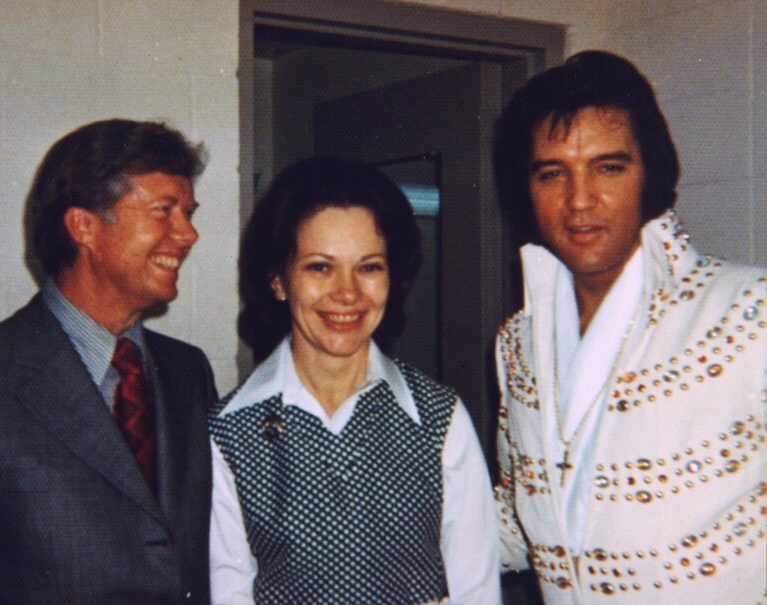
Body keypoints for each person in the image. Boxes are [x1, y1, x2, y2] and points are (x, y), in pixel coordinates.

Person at [0, 119, 216, 604]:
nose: (188, 234)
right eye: (164, 211)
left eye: (188, 213)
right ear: (84, 226)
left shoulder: (188, 371)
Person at [492, 50, 766, 604]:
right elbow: (524, 522)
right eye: (552, 174)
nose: (579, 200)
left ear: (651, 174)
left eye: (608, 167)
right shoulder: (517, 342)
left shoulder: (748, 311)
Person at [209, 157, 501, 605]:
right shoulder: (229, 432)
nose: (347, 292)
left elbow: (477, 594)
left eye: (369, 267)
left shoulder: (438, 418)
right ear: (278, 281)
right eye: (320, 267)